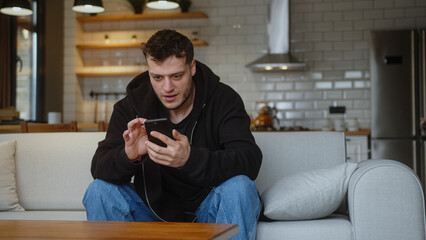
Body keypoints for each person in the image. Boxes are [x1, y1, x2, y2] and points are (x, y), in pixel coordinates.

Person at [83, 29, 263, 240]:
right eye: (157, 77)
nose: (167, 88)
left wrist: (190, 159)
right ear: (148, 71)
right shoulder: (132, 105)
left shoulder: (223, 99)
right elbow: (99, 167)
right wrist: (128, 155)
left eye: (177, 76)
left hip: (208, 209)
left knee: (241, 188)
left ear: (192, 68)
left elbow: (249, 160)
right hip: (150, 211)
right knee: (98, 190)